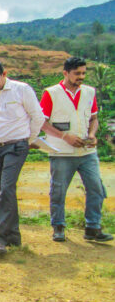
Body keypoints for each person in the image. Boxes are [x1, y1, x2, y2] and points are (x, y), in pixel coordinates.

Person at [40, 57, 112, 242]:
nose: (81, 76)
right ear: (65, 73)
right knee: (58, 190)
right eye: (77, 73)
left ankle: (93, 227)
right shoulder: (51, 93)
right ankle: (58, 226)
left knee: (96, 187)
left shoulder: (89, 92)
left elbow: (93, 119)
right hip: (61, 151)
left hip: (86, 152)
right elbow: (42, 122)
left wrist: (93, 135)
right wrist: (65, 136)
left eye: (83, 73)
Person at [0, 60, 45, 256]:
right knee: (6, 190)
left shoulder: (21, 89)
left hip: (17, 145)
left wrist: (29, 140)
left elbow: (38, 116)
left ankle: (0, 237)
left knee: (6, 188)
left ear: (4, 74)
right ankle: (14, 236)